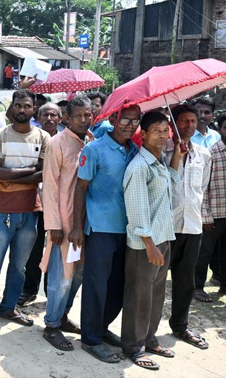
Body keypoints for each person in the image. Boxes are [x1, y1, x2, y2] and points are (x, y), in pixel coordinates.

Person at [0, 90, 49, 333]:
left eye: (27, 106)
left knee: (19, 267)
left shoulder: (43, 137)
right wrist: (29, 173)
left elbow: (44, 173)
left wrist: (13, 174)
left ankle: (8, 307)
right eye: (18, 105)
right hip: (3, 211)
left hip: (29, 212)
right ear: (12, 108)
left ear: (33, 109)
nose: (22, 109)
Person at [74, 105, 140, 363]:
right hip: (100, 227)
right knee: (96, 285)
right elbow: (81, 188)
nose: (130, 125)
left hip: (128, 229)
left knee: (118, 285)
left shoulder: (134, 151)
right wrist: (78, 227)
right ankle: (90, 338)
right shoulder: (94, 149)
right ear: (113, 119)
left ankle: (102, 327)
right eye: (125, 119)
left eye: (135, 121)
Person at [121, 111, 180, 371]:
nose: (162, 135)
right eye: (156, 130)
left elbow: (173, 185)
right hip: (145, 243)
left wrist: (177, 155)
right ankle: (133, 346)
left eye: (165, 130)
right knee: (139, 294)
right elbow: (136, 209)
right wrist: (149, 243)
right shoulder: (139, 166)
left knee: (157, 292)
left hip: (163, 236)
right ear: (143, 134)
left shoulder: (160, 162)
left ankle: (150, 338)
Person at [39, 96, 94, 351]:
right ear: (67, 118)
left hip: (84, 223)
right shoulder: (57, 143)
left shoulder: (90, 142)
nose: (85, 119)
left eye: (88, 114)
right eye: (79, 115)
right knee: (62, 277)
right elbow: (49, 187)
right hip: (63, 221)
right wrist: (54, 225)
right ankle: (51, 325)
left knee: (78, 275)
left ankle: (62, 315)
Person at [162, 105, 211, 350]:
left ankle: (180, 325)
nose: (189, 125)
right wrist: (176, 156)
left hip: (193, 226)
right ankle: (146, 330)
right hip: (167, 226)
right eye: (183, 121)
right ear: (173, 124)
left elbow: (201, 188)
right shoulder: (162, 151)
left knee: (186, 282)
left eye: (193, 120)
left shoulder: (204, 154)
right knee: (157, 280)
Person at [19, 101, 63, 306]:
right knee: (33, 247)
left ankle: (50, 291)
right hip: (35, 201)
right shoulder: (32, 138)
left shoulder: (66, 140)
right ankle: (29, 289)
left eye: (54, 115)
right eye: (45, 115)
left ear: (60, 118)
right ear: (38, 116)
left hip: (60, 204)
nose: (49, 119)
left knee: (55, 248)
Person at [196, 115, 226, 302]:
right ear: (220, 129)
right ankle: (198, 286)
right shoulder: (211, 153)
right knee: (204, 252)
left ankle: (224, 283)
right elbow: (202, 186)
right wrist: (205, 215)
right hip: (215, 213)